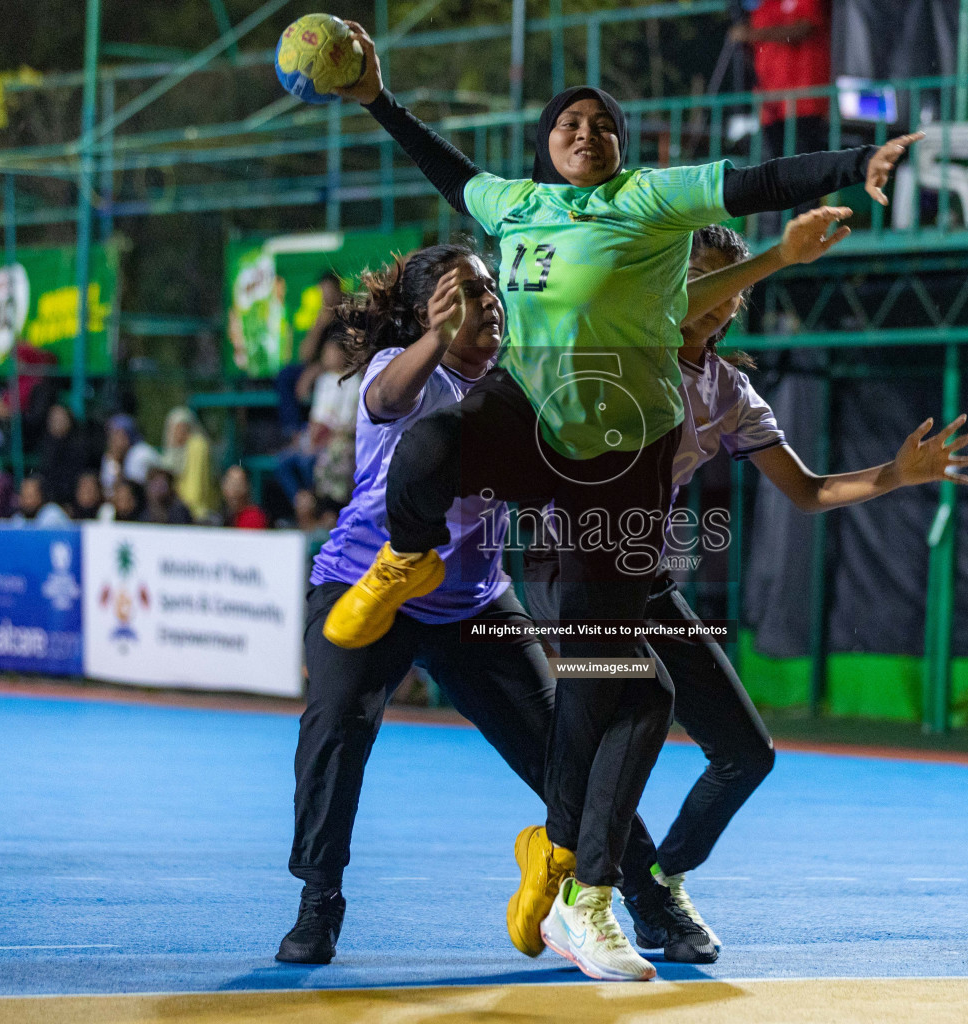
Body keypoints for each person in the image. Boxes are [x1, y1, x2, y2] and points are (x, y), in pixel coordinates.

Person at [322, 22, 919, 982]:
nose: (586, 130)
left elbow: (757, 180)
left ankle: (572, 875)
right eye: (570, 121)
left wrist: (855, 163)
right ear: (545, 144)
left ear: (621, 145)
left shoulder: (650, 203)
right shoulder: (513, 207)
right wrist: (376, 99)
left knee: (620, 689)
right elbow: (447, 166)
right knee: (432, 441)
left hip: (622, 462)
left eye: (603, 123)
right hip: (535, 425)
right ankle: (405, 560)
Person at [522, 214, 968, 957]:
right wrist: (775, 256)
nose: (712, 298)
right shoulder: (625, 347)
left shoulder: (729, 391)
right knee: (638, 712)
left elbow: (805, 491)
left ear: (739, 306)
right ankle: (587, 896)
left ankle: (658, 882)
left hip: (642, 578)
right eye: (694, 279)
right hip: (567, 565)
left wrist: (896, 474)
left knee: (746, 750)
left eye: (724, 290)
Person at [277, 245, 694, 971]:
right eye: (465, 292)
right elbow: (385, 403)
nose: (490, 301)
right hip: (366, 587)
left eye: (491, 288)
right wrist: (436, 336)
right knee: (336, 726)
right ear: (423, 315)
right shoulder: (398, 369)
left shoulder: (523, 385)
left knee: (572, 747)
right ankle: (319, 901)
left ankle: (646, 899)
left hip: (473, 603)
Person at [729, 0, 832, 161]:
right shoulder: (763, 5)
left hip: (804, 100)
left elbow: (804, 28)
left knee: (805, 162)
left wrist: (752, 34)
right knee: (776, 166)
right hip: (770, 102)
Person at [275, 332, 360, 506]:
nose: (326, 356)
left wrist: (324, 434)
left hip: (336, 440)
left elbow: (346, 420)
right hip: (314, 438)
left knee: (309, 463)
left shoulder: (353, 381)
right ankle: (302, 503)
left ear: (343, 353)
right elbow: (316, 415)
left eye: (331, 352)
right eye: (325, 352)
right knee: (283, 462)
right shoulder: (323, 380)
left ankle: (316, 505)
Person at [276, 271, 345, 441]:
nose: (326, 299)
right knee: (285, 376)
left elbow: (341, 359)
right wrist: (319, 325)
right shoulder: (321, 319)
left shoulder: (347, 320)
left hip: (337, 371)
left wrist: (314, 371)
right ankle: (294, 434)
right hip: (317, 368)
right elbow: (304, 356)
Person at [160, 407, 216, 520]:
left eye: (183, 428)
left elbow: (197, 489)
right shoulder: (171, 453)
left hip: (197, 512)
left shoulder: (198, 445)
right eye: (175, 428)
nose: (179, 433)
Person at [36, 404, 91, 506]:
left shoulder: (79, 447)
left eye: (61, 418)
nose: (58, 422)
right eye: (54, 419)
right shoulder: (46, 447)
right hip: (50, 503)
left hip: (74, 504)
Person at [100, 413, 158, 491]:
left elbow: (132, 489)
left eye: (117, 434)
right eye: (111, 435)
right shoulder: (110, 457)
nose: (112, 439)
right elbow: (108, 489)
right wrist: (116, 463)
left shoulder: (141, 452)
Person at [221, 464, 269, 529]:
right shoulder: (223, 516)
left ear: (247, 486)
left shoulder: (253, 517)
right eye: (231, 482)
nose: (235, 488)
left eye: (238, 483)